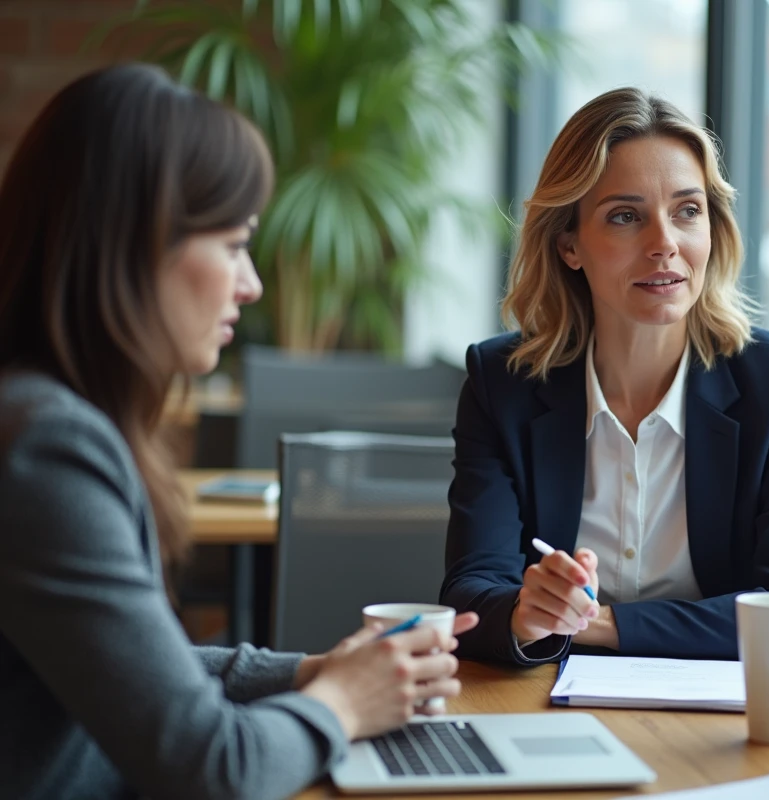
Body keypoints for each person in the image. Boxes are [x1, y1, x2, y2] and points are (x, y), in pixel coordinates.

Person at [0, 63, 477, 800]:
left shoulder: (39, 415)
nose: (250, 284)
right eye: (232, 245)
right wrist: (345, 704)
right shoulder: (45, 447)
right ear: (132, 245)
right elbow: (213, 768)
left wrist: (309, 673)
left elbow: (137, 667)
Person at [440, 87, 769, 666]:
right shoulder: (504, 384)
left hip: (738, 718)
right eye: (626, 217)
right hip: (554, 710)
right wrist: (525, 614)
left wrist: (595, 624)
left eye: (687, 211)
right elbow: (471, 594)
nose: (664, 245)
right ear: (569, 244)